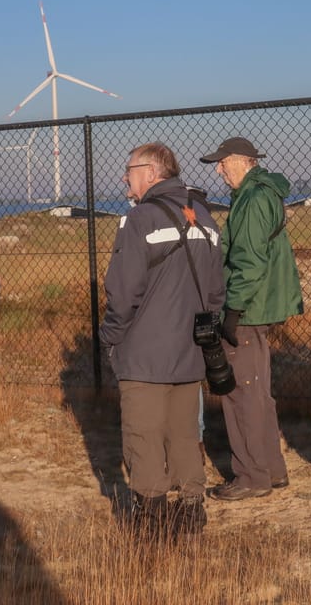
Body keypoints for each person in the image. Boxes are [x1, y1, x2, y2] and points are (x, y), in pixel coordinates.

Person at [101, 143, 225, 536]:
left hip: (145, 355)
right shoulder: (204, 217)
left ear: (151, 173)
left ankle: (150, 523)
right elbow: (217, 291)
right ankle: (192, 513)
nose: (125, 178)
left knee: (143, 436)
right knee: (185, 435)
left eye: (129, 169)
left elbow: (122, 293)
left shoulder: (139, 219)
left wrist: (111, 338)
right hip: (191, 352)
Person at [198, 137, 303, 501]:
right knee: (257, 391)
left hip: (249, 309)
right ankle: (271, 470)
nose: (218, 169)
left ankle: (250, 477)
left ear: (242, 161)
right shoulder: (258, 195)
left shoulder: (254, 200)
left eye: (222, 162)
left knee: (240, 393)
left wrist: (233, 310)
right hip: (258, 307)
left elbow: (250, 261)